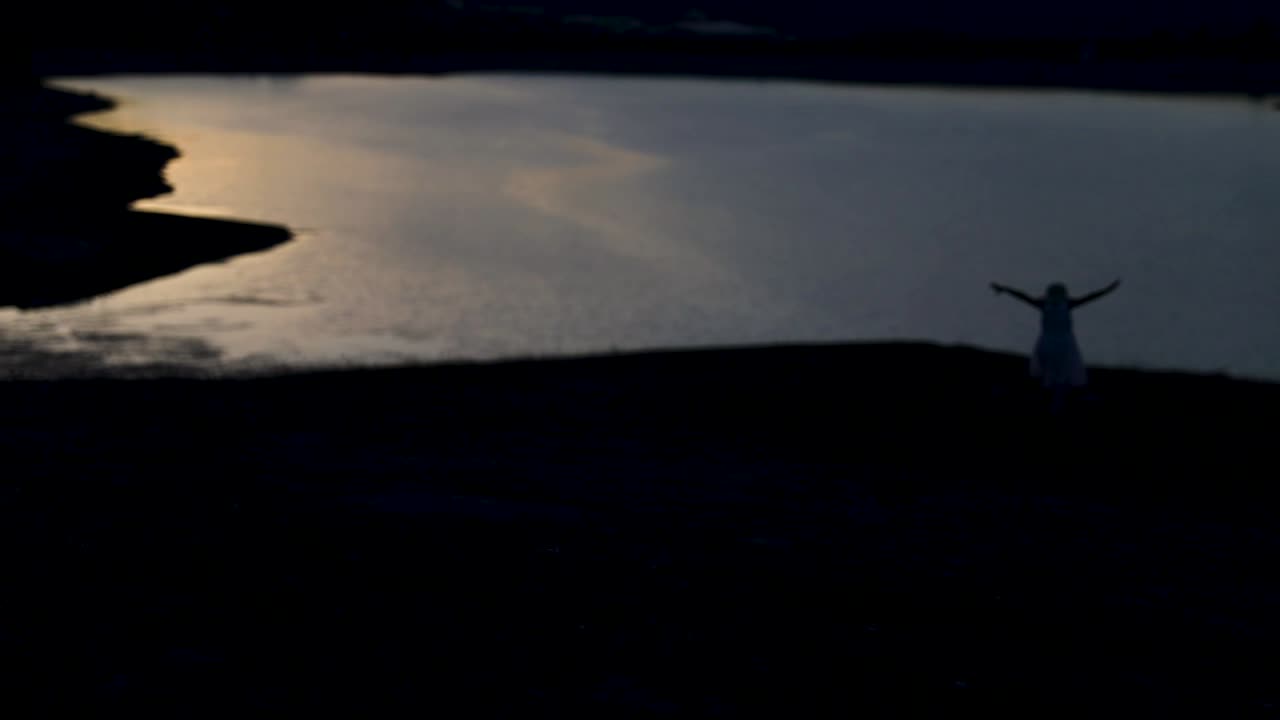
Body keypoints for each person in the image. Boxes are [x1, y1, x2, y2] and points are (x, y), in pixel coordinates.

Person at [990, 279, 1121, 410]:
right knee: (1059, 371)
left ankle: (1056, 397)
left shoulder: (1051, 304)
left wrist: (1004, 289)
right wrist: (1005, 289)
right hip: (1056, 343)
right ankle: (1057, 398)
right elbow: (1090, 297)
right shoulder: (1059, 304)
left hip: (1057, 343)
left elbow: (1022, 296)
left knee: (1058, 371)